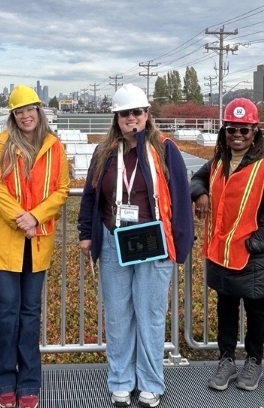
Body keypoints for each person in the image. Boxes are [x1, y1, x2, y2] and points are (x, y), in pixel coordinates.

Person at [78, 84, 194, 408]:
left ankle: (151, 382)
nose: (132, 118)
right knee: (117, 316)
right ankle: (120, 380)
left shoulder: (164, 148)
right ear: (116, 117)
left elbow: (181, 196)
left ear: (147, 114)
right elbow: (90, 195)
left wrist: (181, 245)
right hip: (114, 239)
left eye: (137, 112)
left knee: (150, 315)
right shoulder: (104, 152)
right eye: (125, 113)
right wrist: (85, 232)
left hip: (152, 242)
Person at [191, 97, 264, 392]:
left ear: (255, 132)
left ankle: (254, 362)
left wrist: (256, 244)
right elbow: (197, 178)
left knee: (257, 310)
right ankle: (227, 360)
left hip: (252, 255)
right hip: (222, 252)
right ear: (225, 131)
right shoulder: (219, 161)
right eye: (232, 129)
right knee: (226, 307)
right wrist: (200, 194)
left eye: (244, 130)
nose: (237, 135)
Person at [0, 85, 69, 408]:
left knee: (30, 314)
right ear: (13, 116)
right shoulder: (1, 145)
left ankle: (29, 381)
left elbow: (61, 190)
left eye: (30, 109)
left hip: (37, 239)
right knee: (7, 313)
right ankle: (5, 379)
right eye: (19, 111)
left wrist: (36, 216)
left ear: (39, 110)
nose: (26, 115)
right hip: (6, 239)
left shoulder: (54, 147)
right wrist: (21, 218)